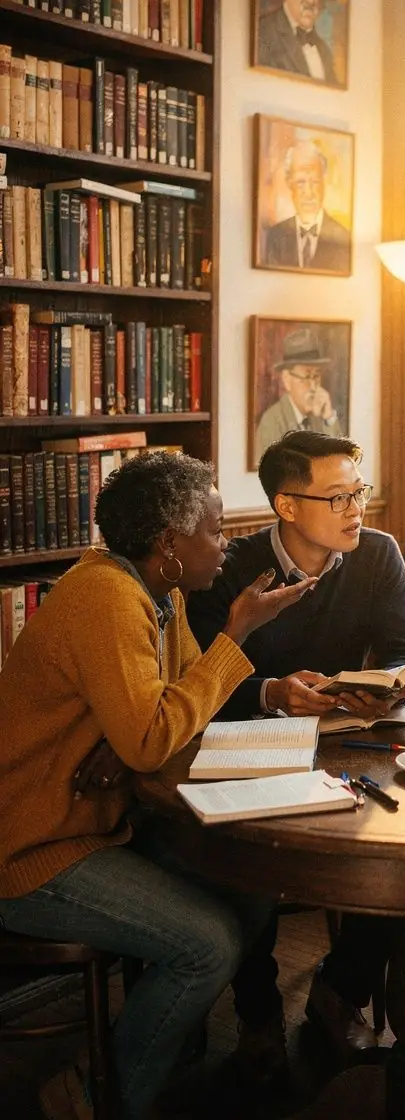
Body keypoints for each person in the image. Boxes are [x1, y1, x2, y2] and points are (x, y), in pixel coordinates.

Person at [0, 451, 314, 1120]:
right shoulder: (107, 597)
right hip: (32, 850)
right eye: (215, 530)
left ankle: (163, 1049)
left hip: (100, 825)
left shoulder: (160, 593)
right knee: (207, 946)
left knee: (252, 889)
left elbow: (177, 718)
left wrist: (131, 743)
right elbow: (154, 736)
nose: (225, 544)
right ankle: (93, 1100)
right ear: (170, 543)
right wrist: (237, 632)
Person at [186, 431, 405, 1067]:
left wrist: (387, 685)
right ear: (287, 506)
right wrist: (271, 692)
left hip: (350, 743)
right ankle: (258, 1013)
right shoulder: (227, 566)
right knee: (253, 860)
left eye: (359, 493)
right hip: (251, 745)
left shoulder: (377, 553)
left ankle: (339, 991)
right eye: (338, 498)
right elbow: (196, 678)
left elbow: (404, 650)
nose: (356, 510)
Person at [261, 139, 351, 273]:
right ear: (289, 183)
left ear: (324, 183)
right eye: (300, 182)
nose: (308, 193)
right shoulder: (275, 236)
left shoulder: (343, 238)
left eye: (315, 182)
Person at [254, 327, 343, 462]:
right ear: (287, 380)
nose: (313, 386)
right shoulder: (271, 422)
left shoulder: (320, 417)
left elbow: (339, 461)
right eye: (306, 376)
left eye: (316, 375)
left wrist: (329, 417)